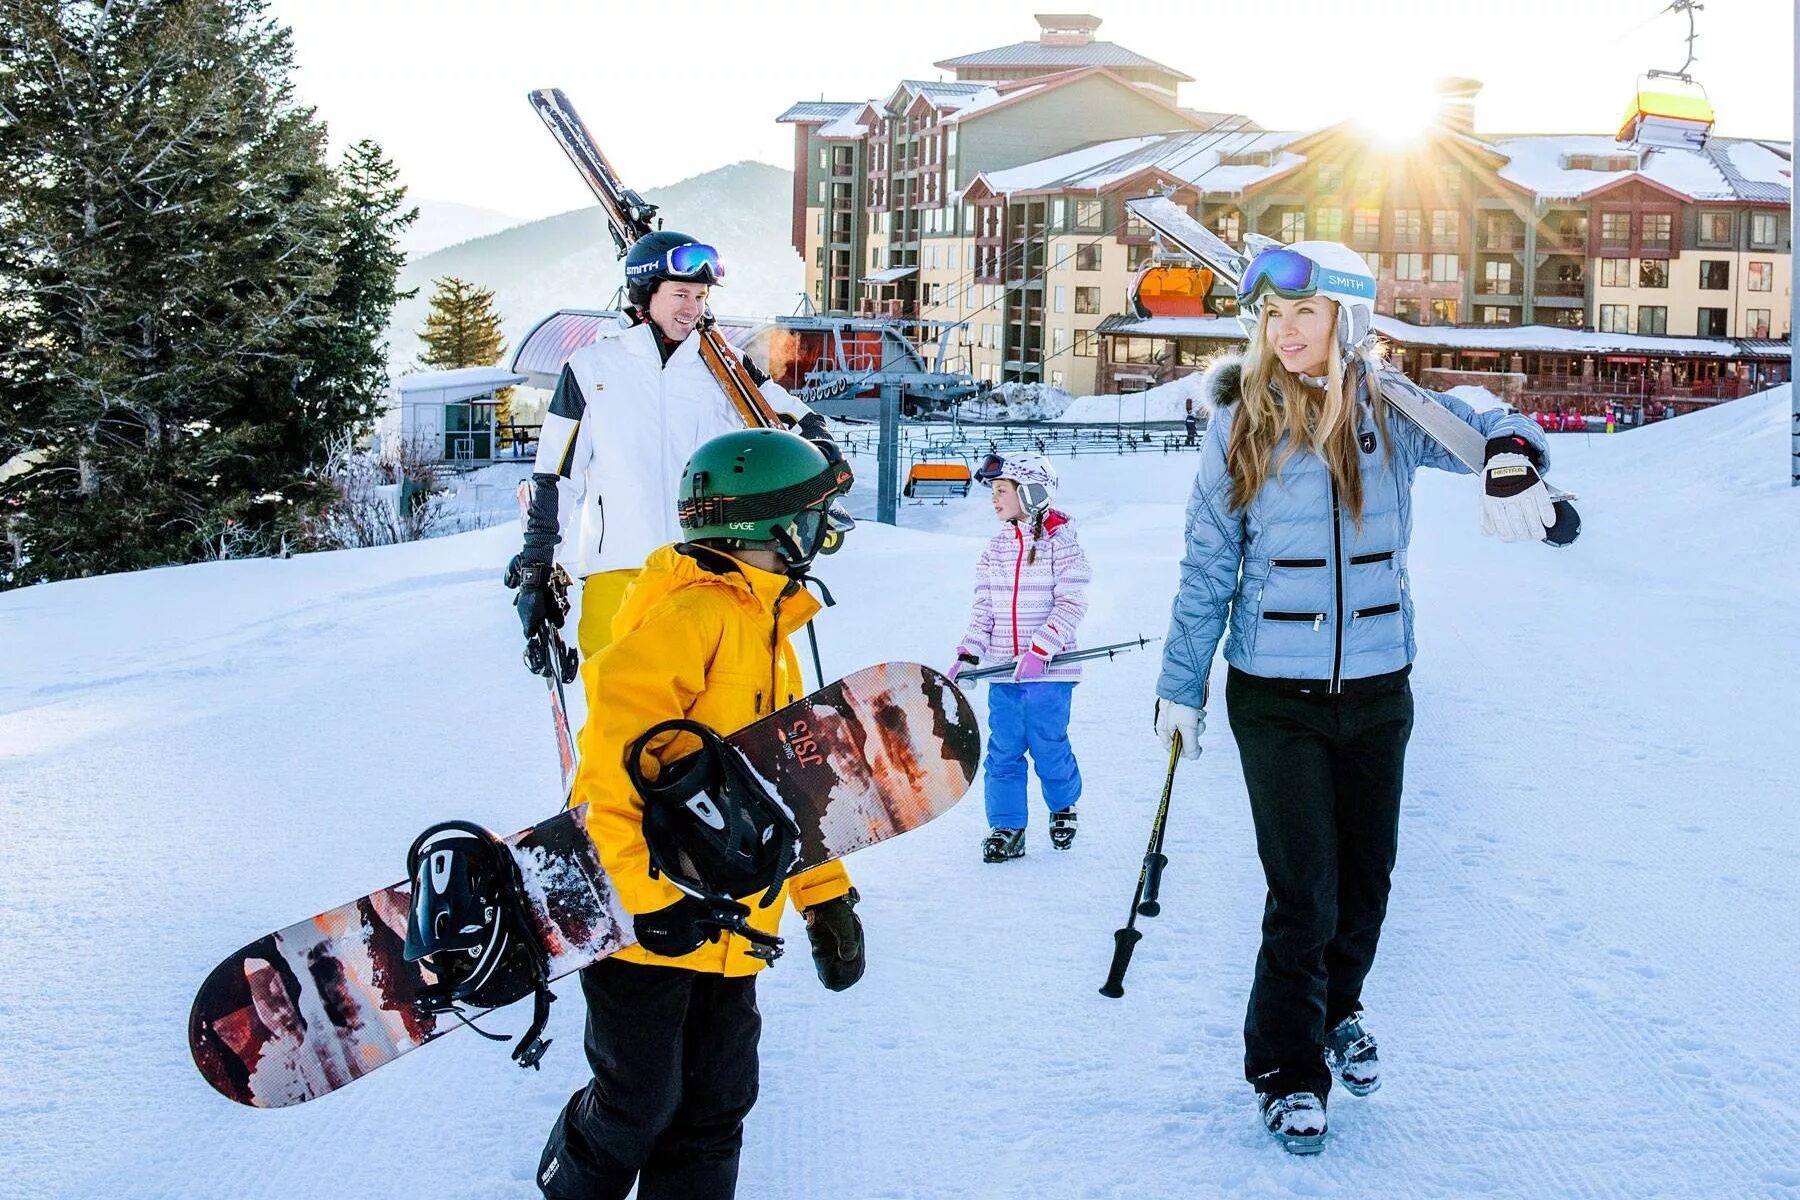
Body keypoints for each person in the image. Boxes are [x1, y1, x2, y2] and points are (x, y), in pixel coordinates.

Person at [1151, 239, 1554, 1154]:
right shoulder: (1239, 424)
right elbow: (1209, 563)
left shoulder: (1390, 411)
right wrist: (1183, 688)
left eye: (1304, 314)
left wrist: (1514, 457)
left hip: (1379, 688)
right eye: (1272, 318)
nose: (1285, 333)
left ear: (1346, 318)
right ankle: (1288, 1070)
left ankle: (1339, 1007)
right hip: (1275, 695)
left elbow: (1486, 424)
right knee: (1306, 891)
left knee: (1365, 884)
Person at [537, 428, 866, 1200]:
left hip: (734, 929)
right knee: (637, 1104)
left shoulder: (770, 630)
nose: (823, 532)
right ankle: (569, 1182)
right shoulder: (688, 620)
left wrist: (826, 898)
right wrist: (649, 906)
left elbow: (786, 792)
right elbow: (606, 784)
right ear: (769, 527)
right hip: (648, 932)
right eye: (814, 515)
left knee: (716, 1107)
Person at [507, 230, 850, 670]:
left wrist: (821, 461)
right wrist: (539, 564)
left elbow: (793, 420)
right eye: (681, 294)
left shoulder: (726, 370)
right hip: (620, 572)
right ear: (645, 294)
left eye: (701, 296)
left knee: (724, 708)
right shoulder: (592, 368)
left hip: (711, 571)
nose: (692, 308)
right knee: (622, 712)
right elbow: (556, 477)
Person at [949, 452, 1092, 862]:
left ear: (1030, 492)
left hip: (1049, 673)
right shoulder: (995, 549)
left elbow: (1071, 604)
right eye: (993, 492)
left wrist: (1041, 649)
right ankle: (1007, 826)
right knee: (1004, 750)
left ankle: (1063, 805)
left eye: (1001, 490)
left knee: (1048, 744)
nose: (994, 499)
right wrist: (970, 653)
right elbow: (984, 609)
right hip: (1004, 673)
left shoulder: (1061, 544)